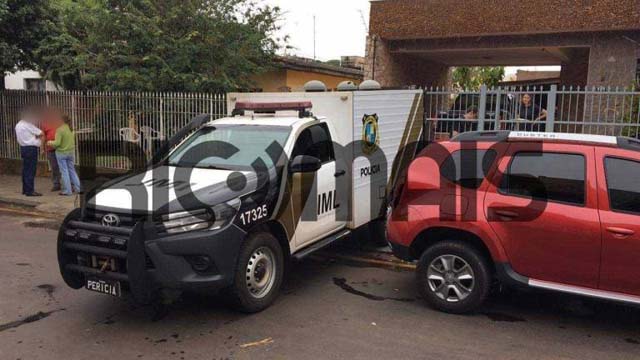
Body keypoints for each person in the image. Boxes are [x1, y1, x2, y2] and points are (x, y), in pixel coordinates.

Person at [47, 115, 81, 196]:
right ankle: (78, 188)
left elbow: (57, 143)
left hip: (61, 153)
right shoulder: (70, 129)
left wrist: (50, 142)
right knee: (72, 171)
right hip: (70, 152)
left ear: (61, 121)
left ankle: (67, 191)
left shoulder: (59, 130)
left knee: (64, 172)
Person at [15, 107, 44, 197]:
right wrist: (39, 141)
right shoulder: (28, 125)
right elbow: (41, 133)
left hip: (23, 148)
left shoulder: (18, 125)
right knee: (31, 170)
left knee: (25, 169)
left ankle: (25, 189)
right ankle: (30, 191)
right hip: (31, 149)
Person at [41, 108, 62, 192]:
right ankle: (56, 184)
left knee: (64, 166)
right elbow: (43, 136)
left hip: (61, 148)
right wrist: (42, 148)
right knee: (54, 167)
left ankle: (69, 184)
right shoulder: (45, 124)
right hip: (50, 149)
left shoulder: (60, 123)